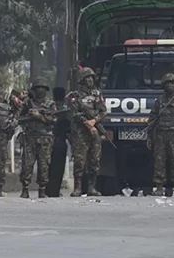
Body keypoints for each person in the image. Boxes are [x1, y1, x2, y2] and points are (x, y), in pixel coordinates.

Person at [147, 73, 174, 198]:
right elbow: (152, 119)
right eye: (167, 83)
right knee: (159, 161)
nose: (170, 85)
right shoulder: (159, 101)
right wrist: (150, 137)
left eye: (172, 83)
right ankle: (159, 187)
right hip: (161, 134)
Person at [66, 67, 107, 197]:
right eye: (87, 78)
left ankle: (91, 187)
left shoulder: (97, 95)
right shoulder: (75, 96)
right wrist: (87, 124)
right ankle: (78, 187)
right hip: (80, 133)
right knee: (79, 160)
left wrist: (94, 121)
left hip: (95, 132)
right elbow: (75, 113)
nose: (90, 80)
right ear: (82, 80)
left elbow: (103, 111)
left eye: (91, 77)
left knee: (94, 160)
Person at [18, 78, 57, 199]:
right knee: (27, 164)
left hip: (44, 138)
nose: (40, 91)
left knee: (44, 164)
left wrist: (39, 116)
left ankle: (42, 190)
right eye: (37, 88)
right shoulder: (28, 104)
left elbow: (54, 119)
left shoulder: (50, 104)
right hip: (29, 137)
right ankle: (25, 189)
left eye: (42, 88)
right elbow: (19, 116)